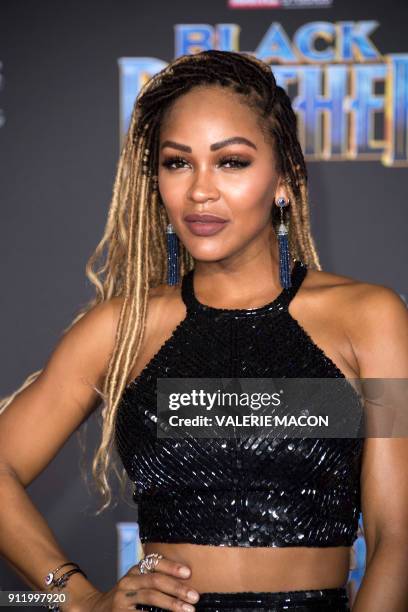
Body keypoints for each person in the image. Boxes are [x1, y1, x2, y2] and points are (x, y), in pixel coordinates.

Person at [0, 50, 407, 612]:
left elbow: (395, 538)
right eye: (177, 162)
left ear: (284, 178)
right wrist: (76, 600)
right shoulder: (123, 327)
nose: (199, 191)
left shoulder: (371, 319)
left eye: (231, 162)